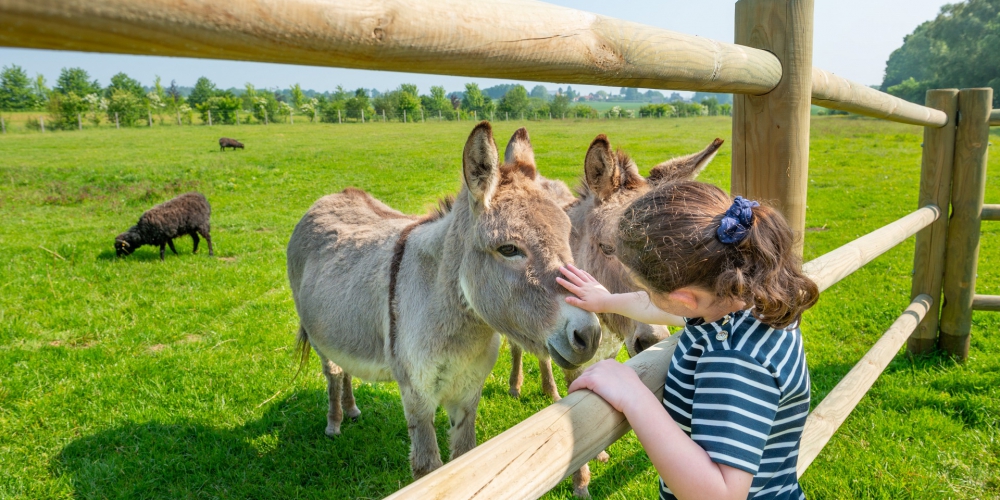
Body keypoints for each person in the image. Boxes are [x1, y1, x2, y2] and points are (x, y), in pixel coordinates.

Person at [557, 180, 819, 500]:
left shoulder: (732, 358)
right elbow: (666, 309)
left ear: (685, 298)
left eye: (648, 288)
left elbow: (720, 495)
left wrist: (633, 395)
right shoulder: (745, 300)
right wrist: (605, 300)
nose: (645, 296)